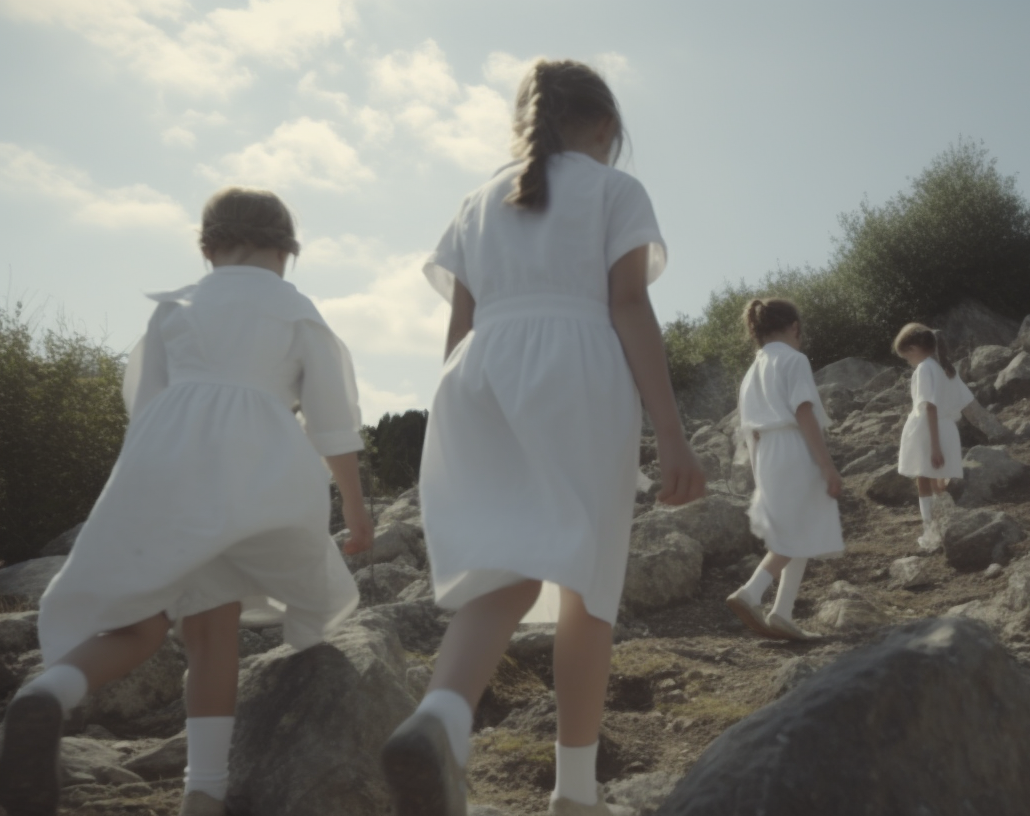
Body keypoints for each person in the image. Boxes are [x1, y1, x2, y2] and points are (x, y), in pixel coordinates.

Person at [382, 59, 705, 816]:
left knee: (505, 574)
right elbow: (629, 306)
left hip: (476, 381)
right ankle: (575, 794)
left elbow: (458, 330)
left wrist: (454, 435)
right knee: (587, 589)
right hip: (578, 376)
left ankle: (440, 717)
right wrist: (672, 434)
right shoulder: (614, 191)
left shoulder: (475, 202)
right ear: (604, 127)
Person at [0, 187, 371, 816]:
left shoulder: (175, 309)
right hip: (258, 480)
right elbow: (333, 424)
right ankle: (203, 791)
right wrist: (358, 510)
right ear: (286, 249)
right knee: (212, 633)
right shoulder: (297, 311)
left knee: (141, 622)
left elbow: (145, 411)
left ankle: (52, 691)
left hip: (164, 472)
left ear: (208, 248)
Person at [725, 299, 844, 641]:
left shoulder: (751, 373)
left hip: (765, 453)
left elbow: (749, 428)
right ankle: (751, 591)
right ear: (794, 327)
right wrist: (827, 465)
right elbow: (804, 410)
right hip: (794, 446)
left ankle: (782, 612)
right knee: (800, 527)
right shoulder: (794, 359)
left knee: (796, 527)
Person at [893, 323, 974, 549]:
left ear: (916, 347)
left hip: (930, 431)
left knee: (924, 480)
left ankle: (931, 533)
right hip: (945, 428)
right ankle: (942, 526)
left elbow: (929, 407)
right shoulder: (941, 368)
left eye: (907, 355)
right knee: (939, 483)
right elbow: (960, 402)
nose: (908, 361)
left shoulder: (925, 369)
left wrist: (935, 446)